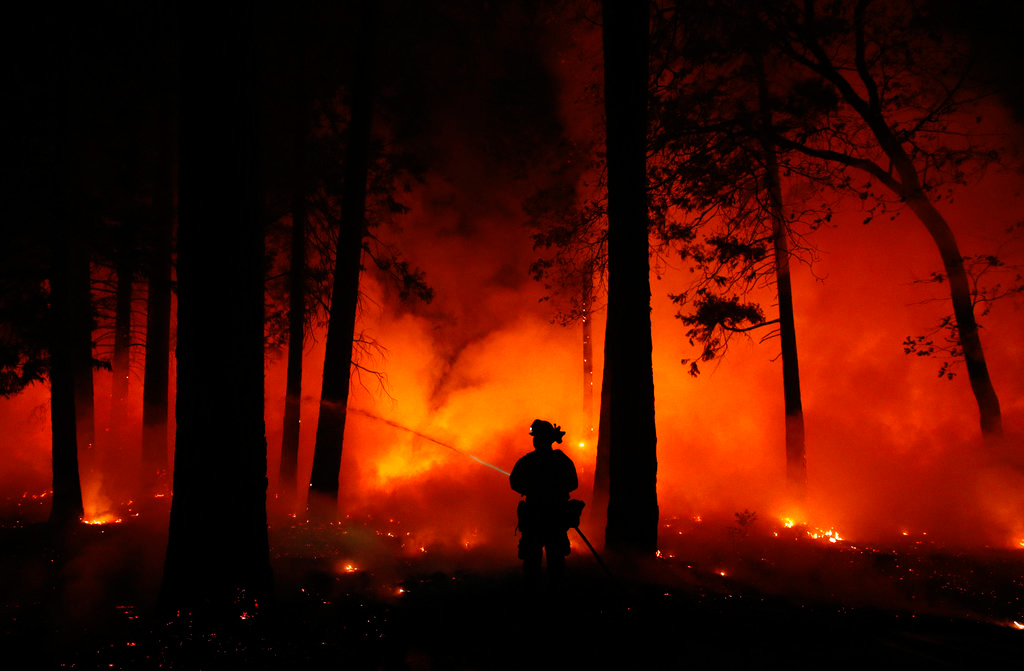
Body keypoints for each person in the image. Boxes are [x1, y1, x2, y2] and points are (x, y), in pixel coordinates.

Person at [510, 419, 579, 587]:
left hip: (539, 518)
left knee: (539, 562)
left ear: (545, 439)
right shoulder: (561, 461)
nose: (535, 440)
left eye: (537, 437)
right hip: (552, 518)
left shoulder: (529, 461)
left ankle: (540, 596)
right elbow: (573, 483)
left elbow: (514, 482)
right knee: (549, 563)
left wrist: (533, 488)